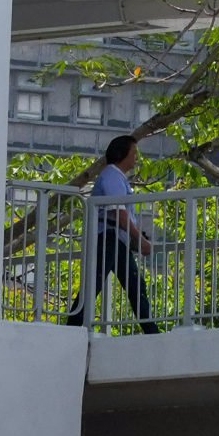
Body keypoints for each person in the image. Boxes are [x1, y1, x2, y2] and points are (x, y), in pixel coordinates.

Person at [67, 132, 159, 331]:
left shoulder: (115, 177)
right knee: (97, 284)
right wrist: (139, 240)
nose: (136, 158)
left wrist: (135, 238)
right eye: (134, 153)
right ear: (122, 154)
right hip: (108, 239)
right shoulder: (112, 176)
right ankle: (72, 327)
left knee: (133, 285)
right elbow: (119, 214)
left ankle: (151, 329)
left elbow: (120, 215)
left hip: (115, 239)